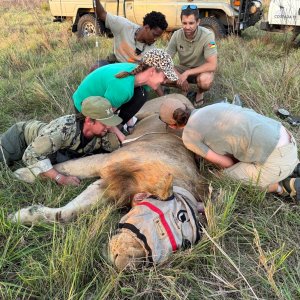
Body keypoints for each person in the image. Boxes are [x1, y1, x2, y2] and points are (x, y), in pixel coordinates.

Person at [159, 97, 300, 201]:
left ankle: (283, 187)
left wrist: (226, 170)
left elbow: (226, 163)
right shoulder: (214, 106)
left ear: (172, 126)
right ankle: (293, 166)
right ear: (186, 106)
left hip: (276, 159)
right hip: (287, 139)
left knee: (222, 179)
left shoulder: (189, 137)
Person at [0, 96, 123, 186]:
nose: (109, 127)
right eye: (105, 123)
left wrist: (115, 131)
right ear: (89, 120)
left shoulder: (103, 133)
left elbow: (120, 150)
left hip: (48, 146)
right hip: (21, 137)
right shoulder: (62, 130)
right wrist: (60, 178)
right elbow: (30, 155)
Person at [73, 49, 178, 132]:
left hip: (101, 102)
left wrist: (129, 124)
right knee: (108, 143)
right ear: (152, 71)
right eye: (164, 76)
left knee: (141, 95)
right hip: (84, 107)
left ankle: (121, 125)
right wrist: (119, 136)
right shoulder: (123, 87)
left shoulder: (137, 74)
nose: (164, 81)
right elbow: (104, 115)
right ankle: (116, 129)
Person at [164, 5, 218, 105]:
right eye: (184, 23)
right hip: (183, 68)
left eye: (191, 23)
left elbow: (212, 65)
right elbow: (165, 60)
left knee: (205, 81)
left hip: (200, 70)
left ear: (198, 22)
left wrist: (187, 73)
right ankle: (184, 88)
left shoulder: (208, 35)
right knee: (160, 75)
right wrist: (179, 75)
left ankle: (200, 92)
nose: (187, 27)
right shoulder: (176, 35)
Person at [93, 0, 168, 64]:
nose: (155, 39)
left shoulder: (152, 51)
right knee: (95, 68)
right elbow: (102, 14)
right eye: (154, 35)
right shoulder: (124, 26)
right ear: (147, 28)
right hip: (116, 63)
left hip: (133, 73)